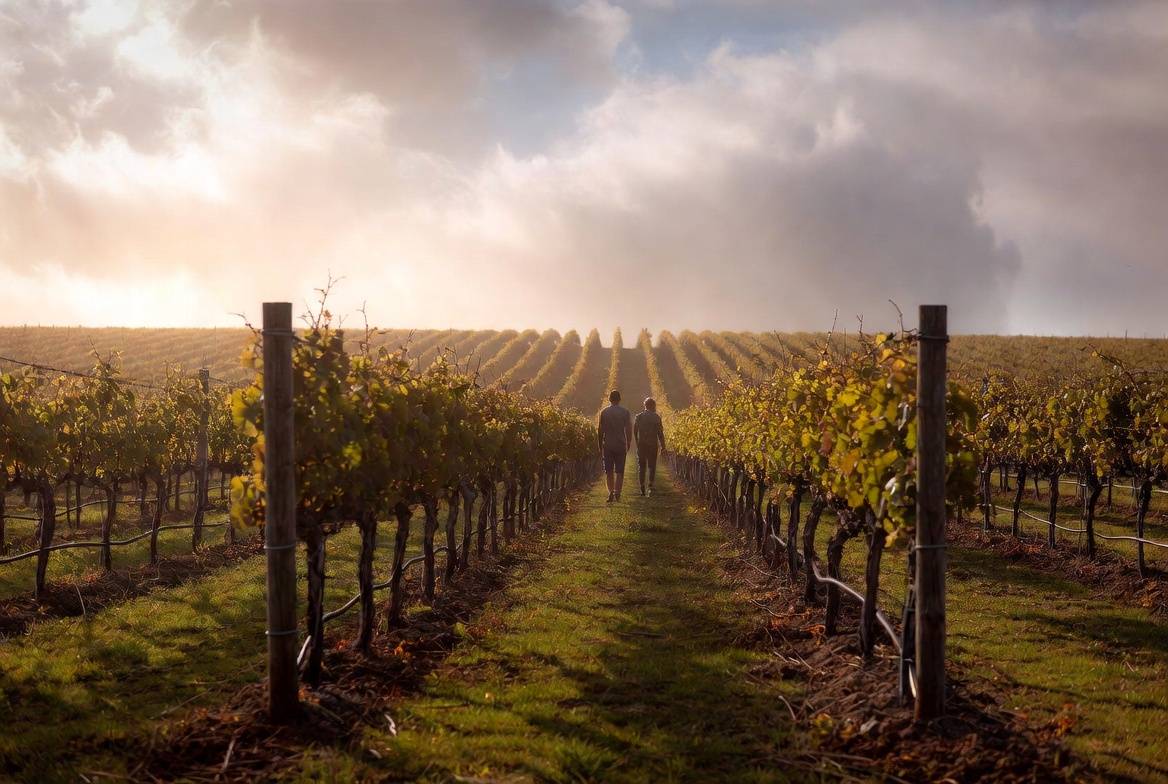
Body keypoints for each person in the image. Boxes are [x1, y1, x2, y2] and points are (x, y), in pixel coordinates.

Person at [597, 389, 633, 503]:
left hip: (608, 444)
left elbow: (600, 430)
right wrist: (628, 442)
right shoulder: (625, 412)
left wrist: (599, 445)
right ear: (619, 399)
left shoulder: (604, 412)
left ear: (609, 399)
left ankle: (611, 492)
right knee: (620, 470)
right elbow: (628, 429)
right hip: (620, 444)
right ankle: (618, 492)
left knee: (609, 471)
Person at [633, 397, 666, 496]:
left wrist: (637, 441)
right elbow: (660, 433)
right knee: (652, 466)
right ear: (653, 406)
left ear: (645, 405)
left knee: (642, 466)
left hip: (642, 444)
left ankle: (642, 485)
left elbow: (635, 430)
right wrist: (663, 446)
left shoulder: (639, 417)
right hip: (652, 445)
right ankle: (650, 485)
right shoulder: (656, 417)